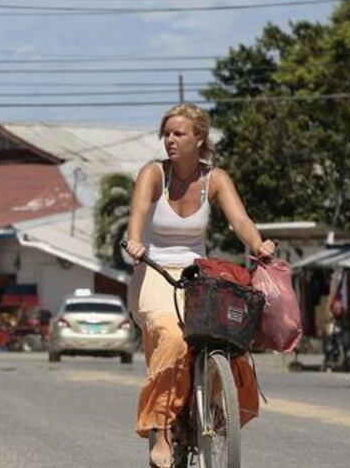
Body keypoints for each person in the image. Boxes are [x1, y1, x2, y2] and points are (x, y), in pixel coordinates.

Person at [123, 103, 275, 468]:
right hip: (155, 271)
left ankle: (217, 405)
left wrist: (259, 245)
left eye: (179, 133)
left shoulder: (215, 179)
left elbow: (240, 219)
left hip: (198, 275)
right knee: (173, 339)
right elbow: (138, 214)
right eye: (167, 133)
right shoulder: (153, 173)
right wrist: (133, 241)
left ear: (199, 138)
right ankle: (160, 429)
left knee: (227, 337)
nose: (170, 140)